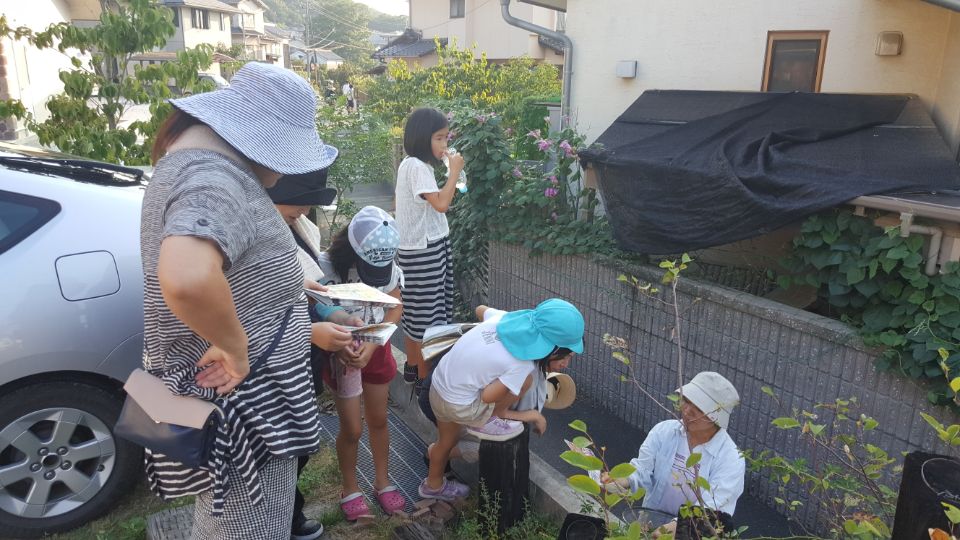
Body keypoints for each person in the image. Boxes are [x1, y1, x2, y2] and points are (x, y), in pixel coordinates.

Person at [141, 62, 338, 539]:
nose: (284, 170)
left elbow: (229, 271)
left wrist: (289, 291)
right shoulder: (215, 179)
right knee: (245, 527)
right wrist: (235, 347)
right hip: (245, 416)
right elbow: (187, 277)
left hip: (227, 408)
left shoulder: (189, 166)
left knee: (221, 520)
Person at [267, 168, 364, 540]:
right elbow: (251, 315)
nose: (305, 211)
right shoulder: (254, 237)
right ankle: (280, 518)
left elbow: (308, 290)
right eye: (299, 203)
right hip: (271, 361)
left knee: (299, 440)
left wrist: (336, 316)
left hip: (302, 355)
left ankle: (289, 512)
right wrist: (310, 331)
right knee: (278, 444)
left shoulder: (296, 226)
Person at [421, 298, 585, 501]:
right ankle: (497, 417)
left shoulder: (502, 319)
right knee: (525, 382)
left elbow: (480, 309)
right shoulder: (522, 364)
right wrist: (527, 413)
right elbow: (487, 396)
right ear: (550, 348)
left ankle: (433, 485)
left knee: (445, 442)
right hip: (460, 405)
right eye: (565, 356)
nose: (566, 364)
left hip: (440, 385)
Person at [311, 205, 408, 520]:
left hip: (375, 345)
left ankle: (382, 482)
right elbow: (313, 305)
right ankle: (350, 488)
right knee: (352, 427)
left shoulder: (389, 266)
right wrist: (339, 340)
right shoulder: (324, 265)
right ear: (351, 249)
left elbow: (394, 306)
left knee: (379, 418)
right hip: (343, 352)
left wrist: (375, 341)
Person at [602, 372, 745, 538]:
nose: (687, 410)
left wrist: (677, 526)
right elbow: (643, 468)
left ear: (717, 416)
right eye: (686, 401)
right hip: (649, 523)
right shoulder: (664, 431)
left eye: (698, 407)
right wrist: (624, 479)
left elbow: (712, 509)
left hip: (691, 534)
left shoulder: (731, 459)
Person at [394, 108, 465, 385]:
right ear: (422, 137)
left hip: (418, 249)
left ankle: (413, 369)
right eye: (439, 138)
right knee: (428, 320)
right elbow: (442, 204)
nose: (444, 144)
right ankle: (425, 384)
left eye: (446, 138)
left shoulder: (410, 164)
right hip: (425, 251)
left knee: (415, 314)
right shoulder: (417, 167)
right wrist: (455, 172)